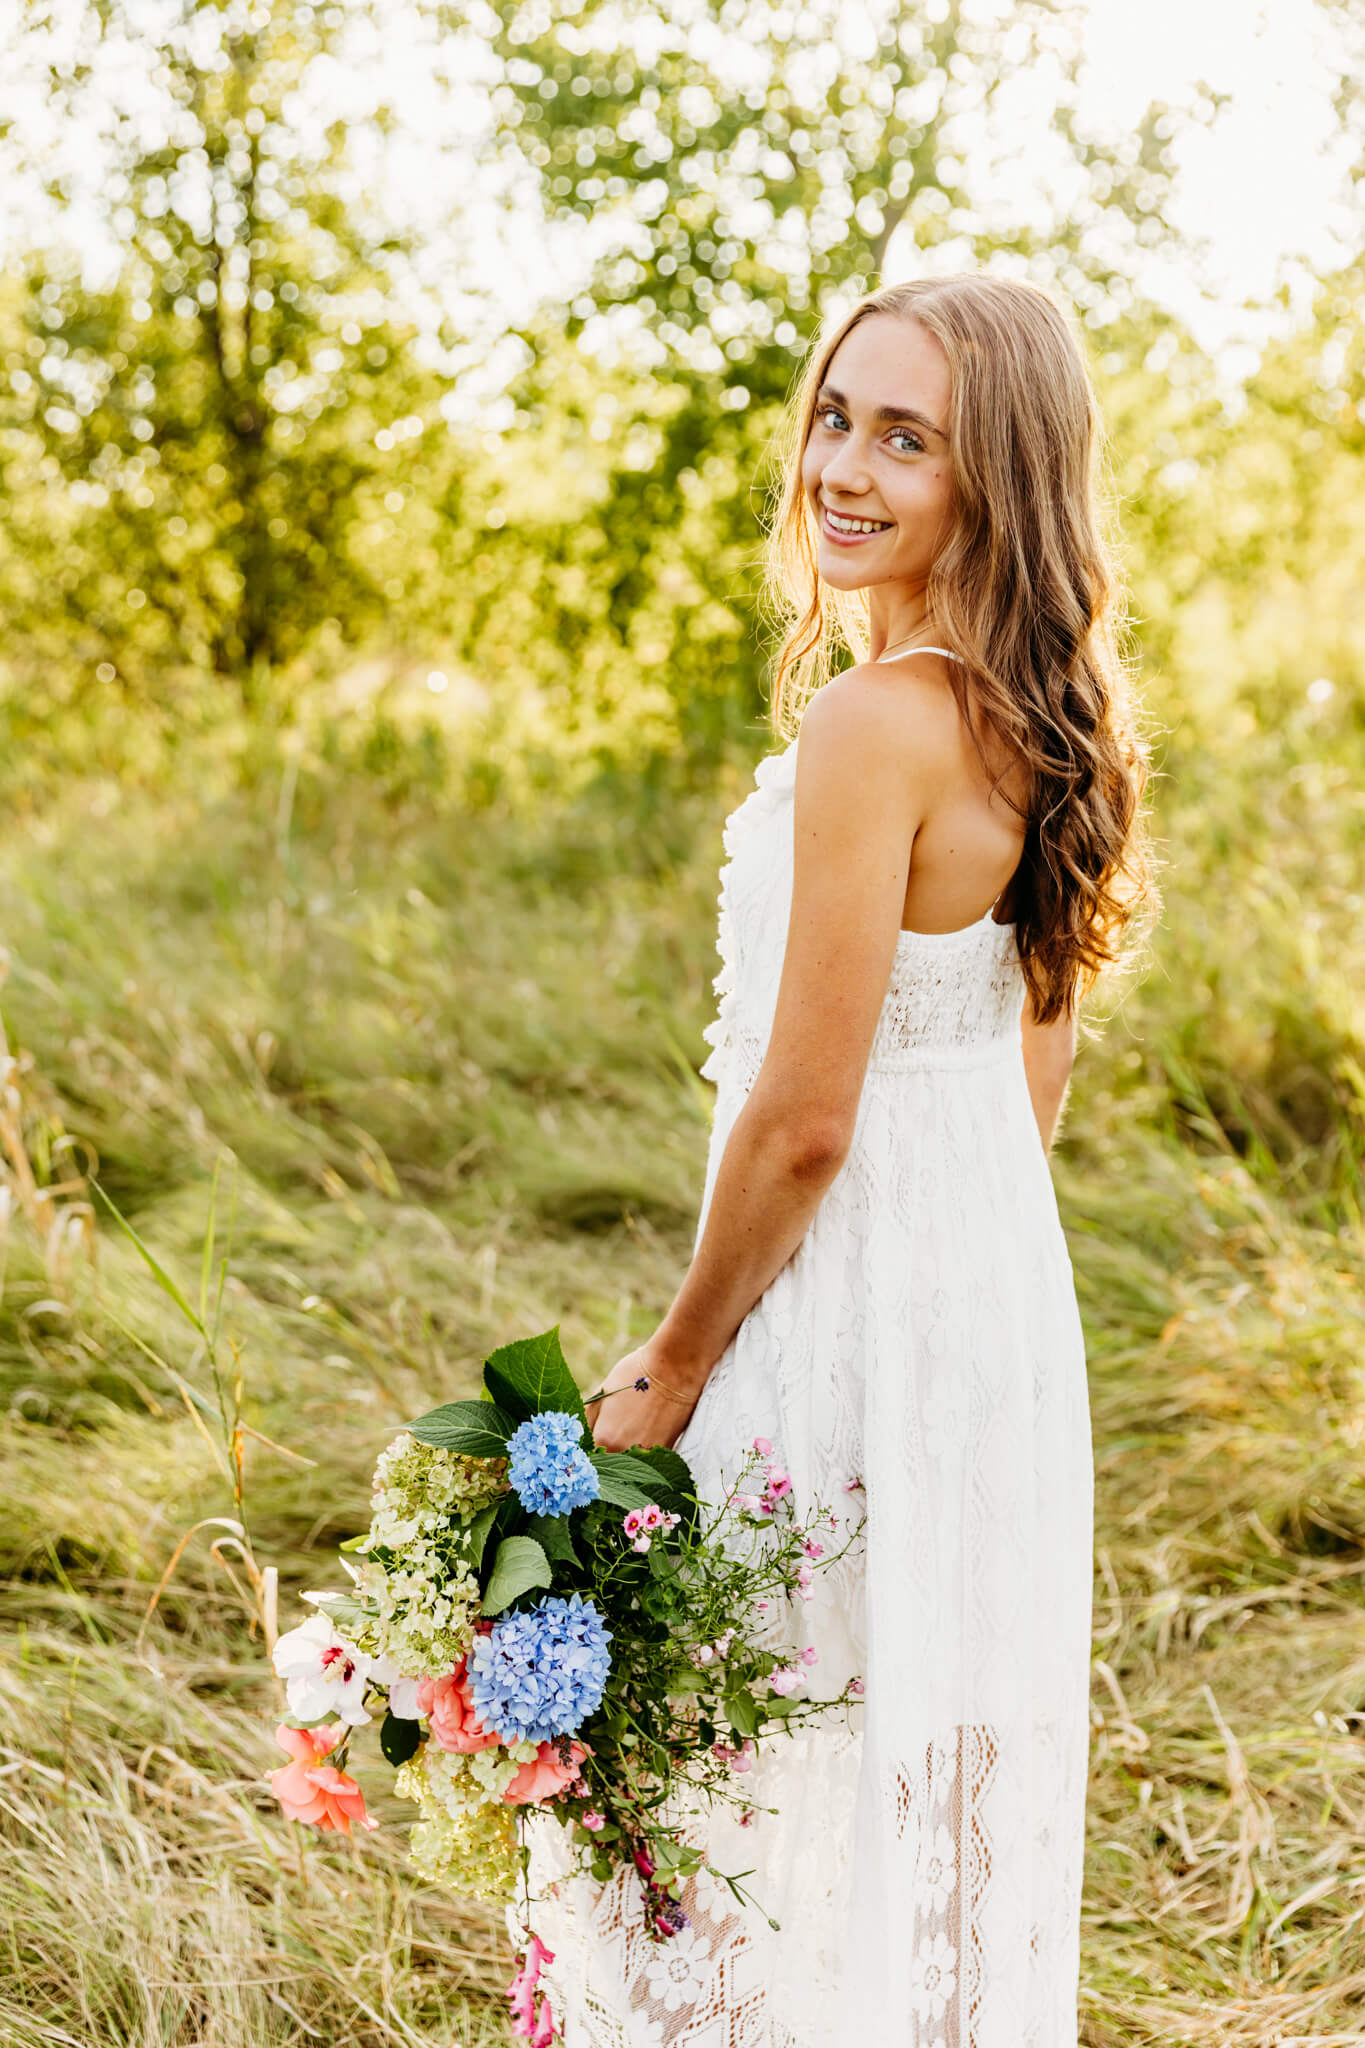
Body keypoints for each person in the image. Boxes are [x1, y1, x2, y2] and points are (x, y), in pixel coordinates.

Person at [531, 272, 1157, 2047]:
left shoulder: (872, 726)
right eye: (834, 416)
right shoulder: (1054, 719)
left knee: (749, 1746)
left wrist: (672, 1360)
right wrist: (958, 1300)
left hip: (844, 1291)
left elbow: (804, 1120)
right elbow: (1024, 1087)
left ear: (1003, 477)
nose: (846, 468)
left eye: (908, 438)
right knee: (928, 1743)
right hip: (989, 1306)